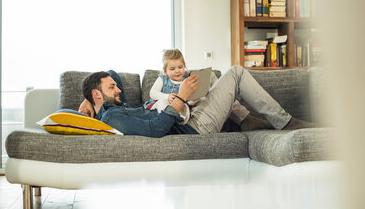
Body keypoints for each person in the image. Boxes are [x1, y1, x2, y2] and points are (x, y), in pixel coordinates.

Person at [79, 65, 314, 138]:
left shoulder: (116, 106)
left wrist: (89, 100)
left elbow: (112, 75)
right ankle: (286, 123)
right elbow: (156, 129)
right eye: (112, 88)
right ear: (99, 94)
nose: (119, 89)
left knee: (208, 77)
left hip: (191, 114)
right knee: (236, 73)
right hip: (194, 127)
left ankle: (244, 120)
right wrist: (181, 96)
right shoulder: (112, 116)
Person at [144, 49, 197, 124]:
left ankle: (178, 122)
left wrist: (191, 102)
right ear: (165, 71)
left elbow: (186, 100)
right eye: (172, 69)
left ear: (184, 67)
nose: (177, 71)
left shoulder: (186, 82)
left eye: (180, 67)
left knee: (184, 107)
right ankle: (166, 121)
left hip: (177, 111)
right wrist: (167, 96)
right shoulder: (162, 79)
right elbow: (152, 93)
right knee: (164, 102)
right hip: (158, 108)